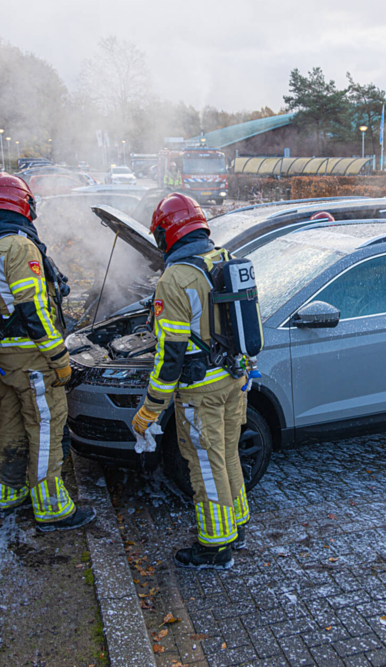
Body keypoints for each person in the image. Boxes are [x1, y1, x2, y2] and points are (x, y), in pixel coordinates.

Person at [0, 173, 95, 532]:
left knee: (10, 425)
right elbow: (33, 309)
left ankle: (9, 495)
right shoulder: (18, 247)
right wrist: (59, 358)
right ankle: (52, 508)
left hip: (2, 357)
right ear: (23, 204)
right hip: (32, 359)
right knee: (45, 428)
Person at [131, 193, 249, 570]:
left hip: (200, 392)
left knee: (205, 465)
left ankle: (214, 547)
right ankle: (237, 525)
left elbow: (171, 356)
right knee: (228, 454)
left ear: (168, 234)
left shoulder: (174, 279)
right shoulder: (224, 259)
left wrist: (151, 407)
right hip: (234, 379)